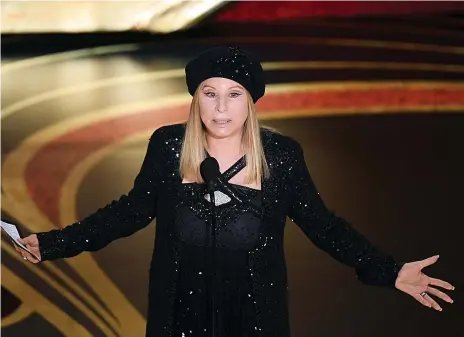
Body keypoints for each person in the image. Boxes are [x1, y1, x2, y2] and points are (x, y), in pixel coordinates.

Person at [16, 46, 454, 337]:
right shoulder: (169, 146)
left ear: (251, 101)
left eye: (234, 94)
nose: (221, 108)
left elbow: (324, 227)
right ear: (195, 99)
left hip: (254, 320)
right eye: (209, 94)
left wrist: (388, 269)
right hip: (177, 317)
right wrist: (53, 244)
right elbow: (129, 212)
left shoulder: (280, 156)